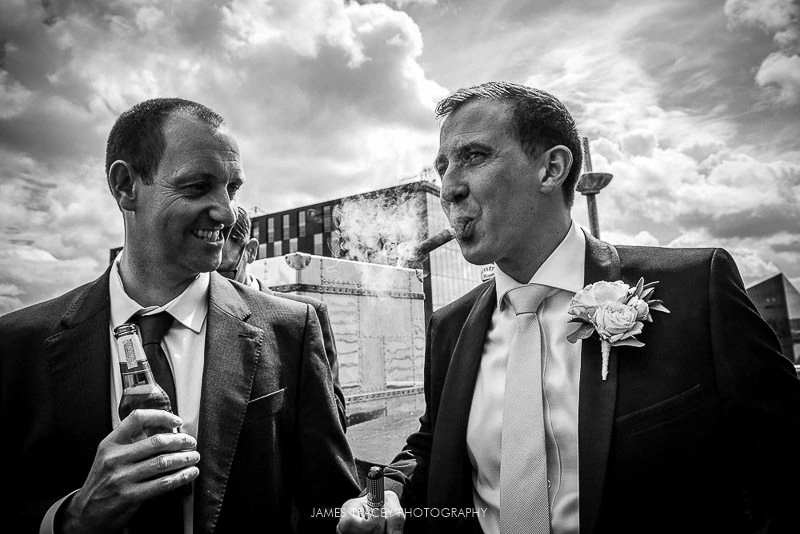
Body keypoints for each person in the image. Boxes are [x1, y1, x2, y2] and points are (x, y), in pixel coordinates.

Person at [338, 82, 800, 533]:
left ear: (551, 168)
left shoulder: (695, 288)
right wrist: (393, 489)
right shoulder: (449, 327)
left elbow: (782, 466)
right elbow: (435, 440)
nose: (449, 188)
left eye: (473, 157)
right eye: (442, 168)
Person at [0, 97, 360, 533]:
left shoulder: (290, 330)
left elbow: (331, 509)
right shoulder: (18, 345)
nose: (227, 212)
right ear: (125, 185)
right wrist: (71, 518)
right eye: (197, 186)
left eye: (233, 188)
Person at [218, 206, 348, 430]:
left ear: (250, 251)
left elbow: (333, 420)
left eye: (224, 273)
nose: (216, 286)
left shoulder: (305, 315)